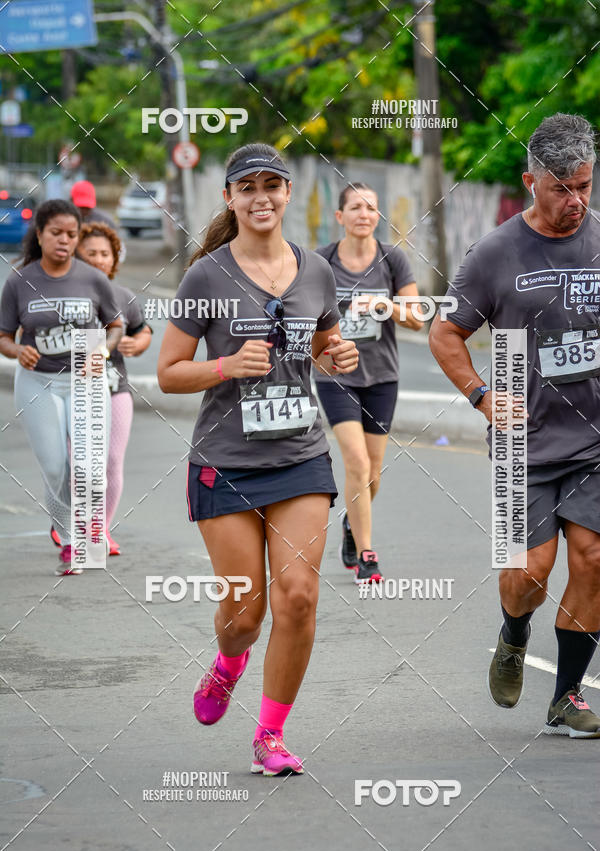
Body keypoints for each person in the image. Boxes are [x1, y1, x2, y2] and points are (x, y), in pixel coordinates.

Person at [157, 143, 358, 775]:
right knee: (245, 615)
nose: (262, 196)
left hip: (301, 456)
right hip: (227, 461)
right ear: (230, 198)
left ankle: (270, 736)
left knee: (298, 597)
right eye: (249, 187)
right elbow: (167, 373)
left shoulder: (317, 271)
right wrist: (223, 365)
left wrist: (336, 355)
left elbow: (321, 341)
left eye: (273, 185)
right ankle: (228, 663)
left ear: (289, 193)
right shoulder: (206, 276)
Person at [429, 113, 600, 738]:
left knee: (593, 559)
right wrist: (481, 394)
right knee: (531, 571)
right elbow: (445, 332)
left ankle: (567, 696)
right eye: (562, 188)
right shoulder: (494, 254)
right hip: (521, 444)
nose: (576, 200)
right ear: (532, 181)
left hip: (594, 442)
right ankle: (513, 634)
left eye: (585, 185)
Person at [0, 199, 122, 574]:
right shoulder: (20, 280)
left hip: (86, 380)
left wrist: (103, 348)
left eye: (71, 234)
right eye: (56, 233)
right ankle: (69, 540)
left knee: (90, 469)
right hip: (38, 382)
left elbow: (116, 325)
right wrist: (18, 350)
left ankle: (90, 534)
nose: (64, 241)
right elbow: (3, 336)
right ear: (39, 235)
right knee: (55, 468)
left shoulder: (92, 279)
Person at [315, 183, 421, 584]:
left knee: (373, 473)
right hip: (335, 374)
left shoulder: (392, 260)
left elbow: (417, 317)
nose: (364, 214)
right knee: (356, 463)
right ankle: (367, 556)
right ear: (339, 216)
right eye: (355, 207)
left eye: (371, 208)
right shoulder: (322, 261)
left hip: (381, 377)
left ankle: (350, 523)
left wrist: (386, 305)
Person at [75, 222, 152, 555]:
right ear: (77, 255)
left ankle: (100, 529)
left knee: (110, 461)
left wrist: (140, 343)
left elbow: (142, 329)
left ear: (113, 260)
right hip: (71, 390)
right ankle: (75, 524)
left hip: (114, 386)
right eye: (90, 253)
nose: (98, 259)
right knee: (77, 465)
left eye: (104, 254)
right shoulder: (62, 295)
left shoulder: (122, 296)